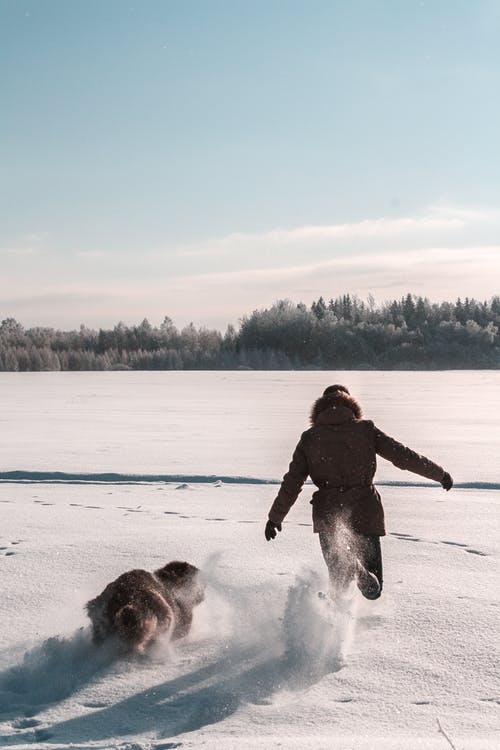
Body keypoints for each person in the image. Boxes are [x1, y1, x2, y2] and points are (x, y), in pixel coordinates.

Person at [265, 384, 453, 601]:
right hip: (365, 510)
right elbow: (403, 456)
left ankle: (332, 619)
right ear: (351, 406)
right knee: (373, 589)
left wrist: (275, 517)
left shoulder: (310, 438)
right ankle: (359, 570)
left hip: (329, 514)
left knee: (339, 588)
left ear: (320, 409)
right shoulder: (365, 430)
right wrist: (440, 474)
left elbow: (292, 482)